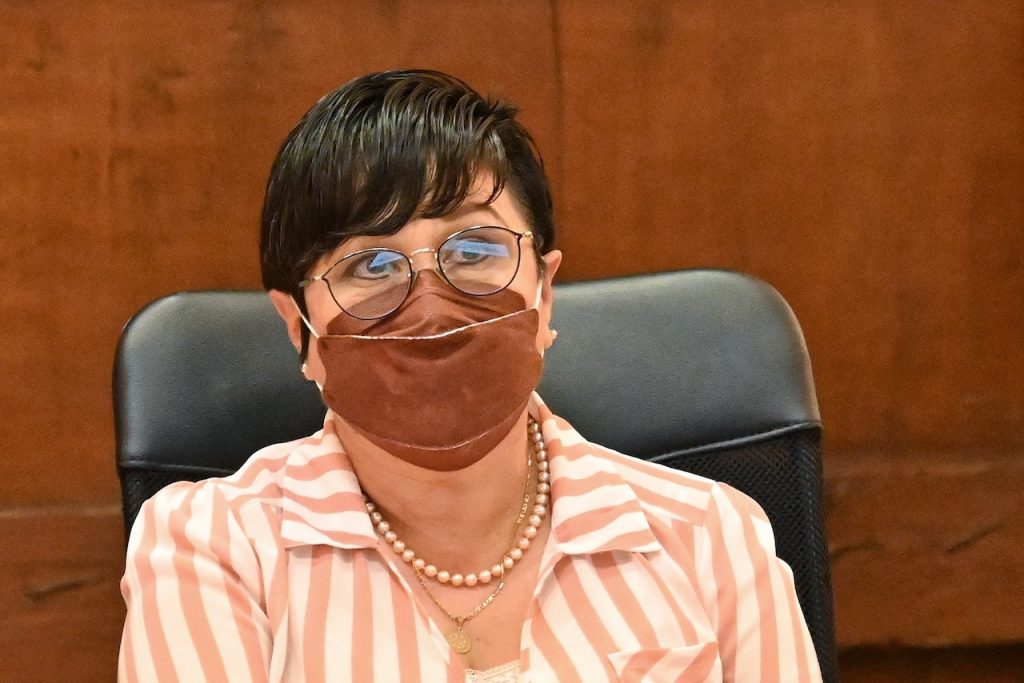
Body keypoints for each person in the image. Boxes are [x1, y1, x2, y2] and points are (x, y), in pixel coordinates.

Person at [118, 69, 822, 682]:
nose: (432, 305)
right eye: (370, 265)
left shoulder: (708, 536)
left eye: (476, 249)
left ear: (544, 294)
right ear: (299, 328)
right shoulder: (214, 546)